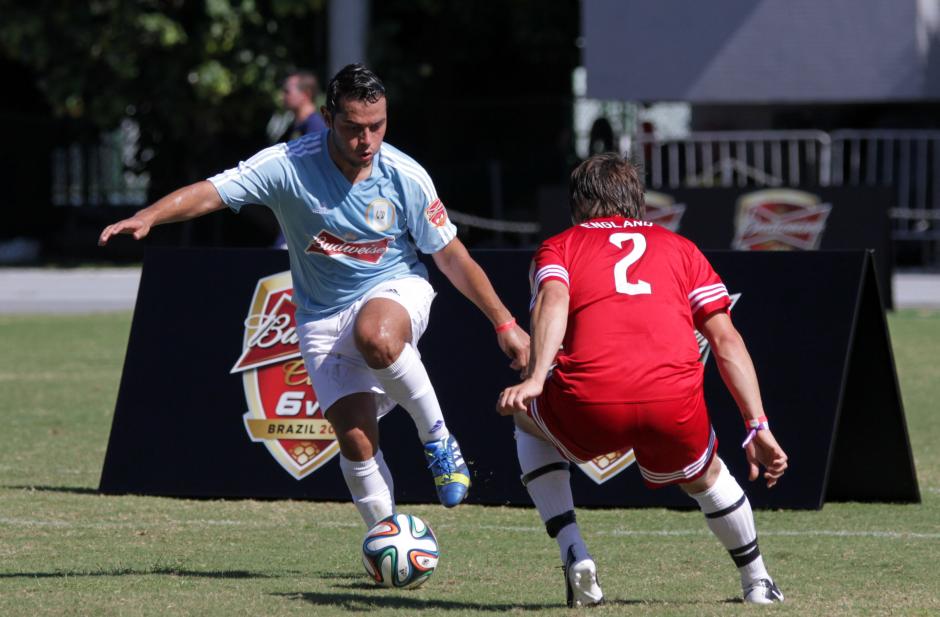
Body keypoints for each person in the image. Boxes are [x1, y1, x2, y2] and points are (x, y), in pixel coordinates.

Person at [99, 63, 529, 529]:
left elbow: (451, 258)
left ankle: (437, 438)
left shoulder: (406, 175)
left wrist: (504, 322)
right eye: (353, 128)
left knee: (377, 335)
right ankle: (386, 538)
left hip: (396, 286)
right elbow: (213, 192)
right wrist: (149, 216)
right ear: (327, 117)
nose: (366, 140)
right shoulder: (287, 165)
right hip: (320, 317)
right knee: (357, 441)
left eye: (377, 126)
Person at [497, 153, 788, 607]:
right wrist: (757, 426)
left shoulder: (560, 247)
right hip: (672, 403)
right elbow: (727, 341)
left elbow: (553, 299)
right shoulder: (681, 249)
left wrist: (536, 378)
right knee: (708, 476)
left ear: (579, 204)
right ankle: (758, 582)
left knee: (527, 422)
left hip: (591, 400)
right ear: (637, 202)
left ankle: (573, 549)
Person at [280, 69, 327, 140]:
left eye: (287, 92)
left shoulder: (316, 127)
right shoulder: (293, 127)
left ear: (306, 94)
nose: (281, 96)